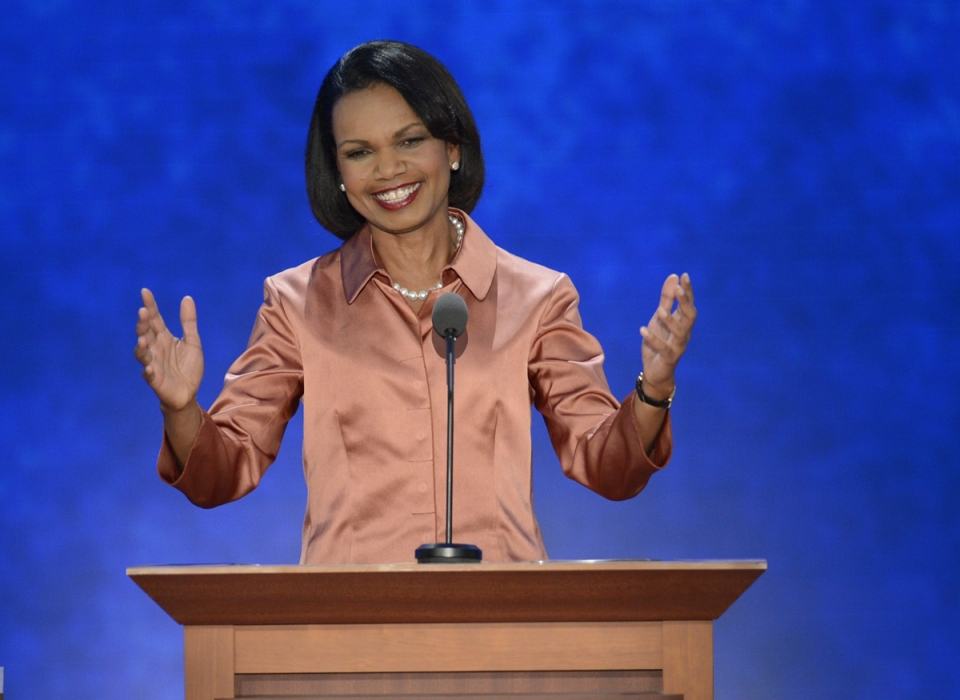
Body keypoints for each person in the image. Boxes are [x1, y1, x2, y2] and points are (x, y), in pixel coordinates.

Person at [133, 41, 696, 564]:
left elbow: (609, 469)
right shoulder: (296, 303)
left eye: (409, 141)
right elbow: (220, 475)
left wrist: (654, 388)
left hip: (500, 619)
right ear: (338, 173)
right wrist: (181, 410)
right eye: (360, 152)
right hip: (348, 624)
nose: (388, 170)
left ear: (452, 147)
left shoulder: (537, 298)